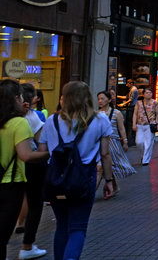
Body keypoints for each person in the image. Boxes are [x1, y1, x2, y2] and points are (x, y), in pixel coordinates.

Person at [38, 81, 114, 260]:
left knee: (62, 226)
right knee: (78, 227)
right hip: (84, 178)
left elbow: (42, 152)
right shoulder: (100, 120)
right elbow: (105, 154)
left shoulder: (52, 121)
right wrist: (109, 180)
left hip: (57, 179)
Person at [16, 83, 48, 259]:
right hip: (30, 166)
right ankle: (27, 246)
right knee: (35, 204)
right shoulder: (29, 118)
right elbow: (39, 143)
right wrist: (46, 155)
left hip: (11, 169)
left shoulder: (8, 118)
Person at [96, 91, 135, 197]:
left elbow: (121, 128)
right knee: (104, 166)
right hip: (101, 143)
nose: (100, 101)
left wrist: (125, 141)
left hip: (113, 143)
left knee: (108, 166)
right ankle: (113, 186)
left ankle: (109, 187)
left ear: (109, 100)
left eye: (102, 99)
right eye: (98, 99)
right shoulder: (96, 114)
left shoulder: (116, 113)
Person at [132, 87, 158, 166]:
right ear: (143, 94)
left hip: (150, 125)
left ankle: (145, 160)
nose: (148, 94)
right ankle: (143, 156)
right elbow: (135, 113)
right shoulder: (138, 103)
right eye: (147, 93)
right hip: (139, 124)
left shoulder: (155, 102)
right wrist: (134, 123)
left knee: (149, 143)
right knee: (139, 142)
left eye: (150, 92)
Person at [118, 80, 139, 147]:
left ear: (131, 83)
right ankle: (130, 140)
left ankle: (131, 141)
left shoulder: (134, 90)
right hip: (131, 107)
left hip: (132, 108)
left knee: (130, 123)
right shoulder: (132, 89)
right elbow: (127, 97)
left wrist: (123, 104)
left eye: (127, 84)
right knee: (129, 123)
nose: (126, 85)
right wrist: (117, 96)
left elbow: (131, 99)